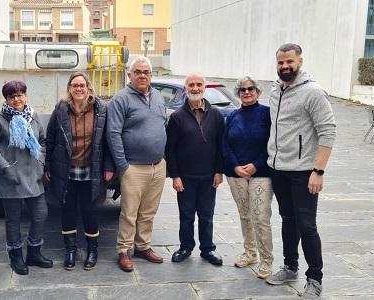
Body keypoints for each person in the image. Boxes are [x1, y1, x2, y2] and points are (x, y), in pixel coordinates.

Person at [265, 43, 336, 299]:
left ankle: (315, 278)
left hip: (304, 171)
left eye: (289, 62)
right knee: (287, 220)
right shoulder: (275, 90)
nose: (285, 66)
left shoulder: (313, 92)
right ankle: (290, 266)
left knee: (307, 226)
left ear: (300, 62)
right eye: (281, 63)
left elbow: (328, 132)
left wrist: (319, 170)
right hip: (278, 169)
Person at [45, 72, 115, 271]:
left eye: (82, 85)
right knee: (67, 210)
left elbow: (107, 141)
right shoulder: (60, 109)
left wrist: (109, 166)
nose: (78, 89)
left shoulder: (101, 108)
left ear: (88, 87)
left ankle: (93, 250)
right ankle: (70, 250)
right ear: (69, 88)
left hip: (91, 169)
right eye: (74, 85)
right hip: (65, 170)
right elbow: (50, 139)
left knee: (89, 209)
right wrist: (48, 164)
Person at [106, 56, 167, 272]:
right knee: (129, 213)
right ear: (130, 75)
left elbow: (163, 125)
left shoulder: (158, 97)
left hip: (157, 166)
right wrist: (122, 165)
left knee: (148, 212)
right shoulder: (121, 99)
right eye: (138, 72)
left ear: (151, 75)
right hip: (133, 167)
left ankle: (143, 246)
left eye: (146, 72)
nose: (142, 75)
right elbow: (112, 133)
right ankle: (124, 250)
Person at [0, 80, 53, 275]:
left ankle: (34, 253)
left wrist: (41, 160)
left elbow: (42, 141)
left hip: (34, 176)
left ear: (26, 95)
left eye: (20, 94)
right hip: (11, 177)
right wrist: (4, 167)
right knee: (13, 220)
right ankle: (16, 256)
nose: (17, 99)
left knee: (41, 215)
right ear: (6, 98)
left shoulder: (33, 116)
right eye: (12, 96)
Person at [166, 73, 225, 266]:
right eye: (191, 84)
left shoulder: (216, 114)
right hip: (186, 177)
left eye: (199, 84)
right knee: (187, 215)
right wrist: (175, 176)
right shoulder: (177, 117)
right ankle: (186, 247)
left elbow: (220, 145)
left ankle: (208, 249)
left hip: (209, 176)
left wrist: (219, 171)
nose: (195, 88)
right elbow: (171, 149)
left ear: (204, 88)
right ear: (185, 88)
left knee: (207, 215)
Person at [221, 76, 274, 279]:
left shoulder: (267, 114)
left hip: (261, 173)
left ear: (258, 92)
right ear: (238, 93)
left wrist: (255, 165)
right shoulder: (232, 116)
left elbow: (271, 143)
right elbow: (225, 144)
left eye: (251, 89)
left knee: (261, 217)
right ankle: (250, 253)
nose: (247, 92)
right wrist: (235, 166)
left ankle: (266, 260)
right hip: (236, 175)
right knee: (245, 215)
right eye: (242, 90)